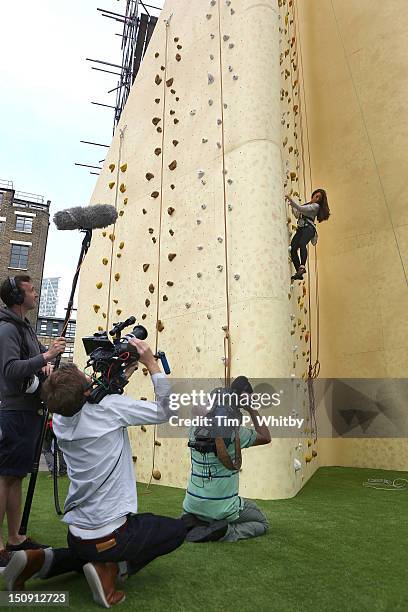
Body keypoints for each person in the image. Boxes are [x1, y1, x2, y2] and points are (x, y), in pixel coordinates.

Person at [4, 340, 188, 608]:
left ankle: (40, 560)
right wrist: (151, 363)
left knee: (84, 552)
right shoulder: (110, 408)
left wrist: (120, 376)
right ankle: (109, 570)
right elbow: (167, 411)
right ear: (87, 390)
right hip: (110, 536)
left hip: (77, 535)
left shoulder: (61, 419)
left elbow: (85, 399)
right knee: (175, 531)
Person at [0, 275, 66, 571]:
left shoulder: (24, 327)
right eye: (31, 290)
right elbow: (11, 369)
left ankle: (15, 538)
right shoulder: (6, 329)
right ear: (17, 296)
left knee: (15, 476)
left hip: (28, 413)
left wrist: (47, 361)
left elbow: (36, 363)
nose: (36, 293)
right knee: (4, 477)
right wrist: (46, 355)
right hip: (13, 413)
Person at [182, 377, 271, 543]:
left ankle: (192, 520)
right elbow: (266, 437)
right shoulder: (237, 433)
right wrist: (251, 409)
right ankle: (226, 532)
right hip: (221, 510)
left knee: (198, 508)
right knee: (262, 522)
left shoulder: (194, 426)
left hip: (191, 505)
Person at [286, 189, 330, 281]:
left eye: (319, 198)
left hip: (309, 228)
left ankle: (302, 266)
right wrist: (292, 206)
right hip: (301, 228)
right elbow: (298, 214)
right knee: (293, 248)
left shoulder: (315, 206)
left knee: (302, 243)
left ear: (320, 201)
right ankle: (299, 272)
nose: (316, 198)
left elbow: (300, 209)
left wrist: (292, 201)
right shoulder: (308, 204)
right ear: (313, 195)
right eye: (316, 195)